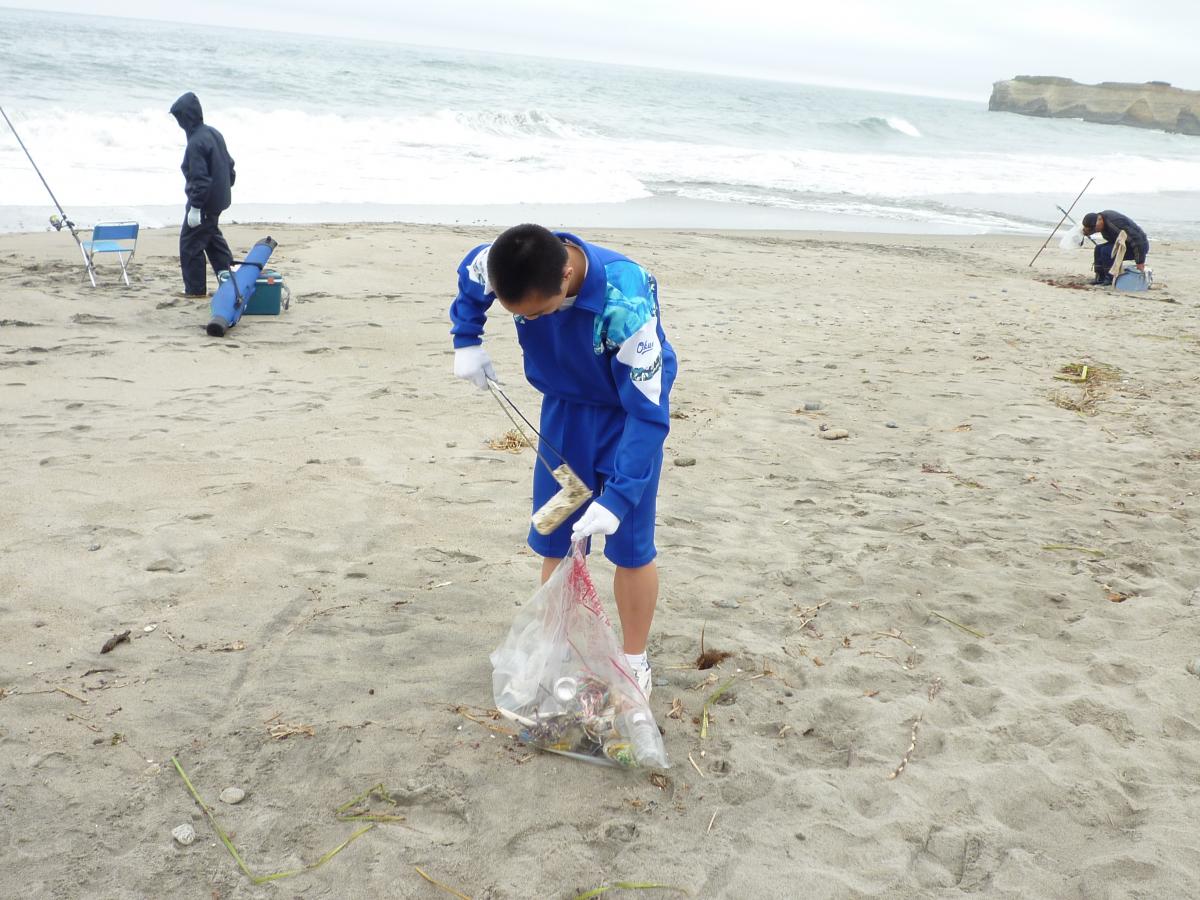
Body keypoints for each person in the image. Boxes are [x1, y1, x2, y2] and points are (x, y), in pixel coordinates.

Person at [449, 224, 678, 697]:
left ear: (568, 275)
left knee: (630, 545)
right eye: (523, 317)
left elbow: (649, 411)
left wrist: (617, 497)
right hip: (561, 415)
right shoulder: (503, 258)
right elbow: (472, 274)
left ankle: (634, 659)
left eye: (543, 311)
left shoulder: (626, 297)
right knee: (557, 534)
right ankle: (555, 644)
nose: (535, 319)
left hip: (625, 413)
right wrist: (466, 337)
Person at [169, 92, 235, 297]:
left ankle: (195, 290)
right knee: (212, 241)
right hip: (217, 200)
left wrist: (196, 207)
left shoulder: (196, 143)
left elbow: (200, 179)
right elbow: (230, 167)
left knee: (190, 245)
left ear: (185, 118)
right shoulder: (214, 133)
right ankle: (231, 281)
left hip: (204, 203)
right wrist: (223, 189)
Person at [1081, 210, 1148, 286]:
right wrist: (1087, 232)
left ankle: (1110, 278)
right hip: (1121, 244)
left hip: (1137, 248)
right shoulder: (1100, 220)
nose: (1094, 231)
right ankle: (1100, 278)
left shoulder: (1115, 223)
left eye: (1094, 228)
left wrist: (1140, 262)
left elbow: (1138, 240)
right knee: (1098, 248)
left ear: (1099, 220)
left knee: (1106, 251)